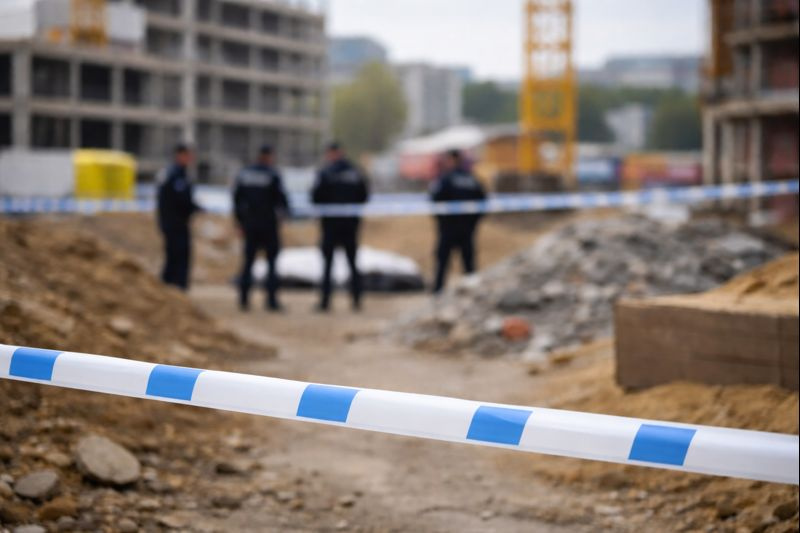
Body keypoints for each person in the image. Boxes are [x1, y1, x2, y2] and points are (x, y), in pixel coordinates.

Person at [311, 142, 370, 312]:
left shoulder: (325, 172)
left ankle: (325, 302)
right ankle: (356, 300)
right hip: (350, 224)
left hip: (331, 225)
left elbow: (316, 196)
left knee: (329, 264)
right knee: (351, 263)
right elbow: (364, 196)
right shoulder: (356, 171)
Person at [232, 145, 290, 311]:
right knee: (271, 264)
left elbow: (236, 200)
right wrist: (284, 216)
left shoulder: (245, 174)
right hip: (268, 225)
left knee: (248, 262)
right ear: (269, 156)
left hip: (250, 224)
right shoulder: (272, 174)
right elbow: (282, 200)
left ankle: (244, 300)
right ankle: (271, 300)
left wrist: (239, 222)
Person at [430, 149, 487, 294]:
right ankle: (474, 293)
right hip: (467, 229)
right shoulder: (472, 179)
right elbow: (483, 203)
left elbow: (435, 201)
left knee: (442, 263)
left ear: (451, 160)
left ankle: (438, 293)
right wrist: (473, 224)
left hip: (448, 228)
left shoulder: (446, 179)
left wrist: (441, 221)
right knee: (469, 263)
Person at [156, 143, 201, 291]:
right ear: (180, 155)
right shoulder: (175, 174)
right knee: (178, 258)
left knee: (175, 257)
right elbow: (178, 200)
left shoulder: (174, 173)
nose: (190, 158)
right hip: (175, 223)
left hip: (173, 222)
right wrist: (193, 207)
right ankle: (175, 290)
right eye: (188, 155)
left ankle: (169, 289)